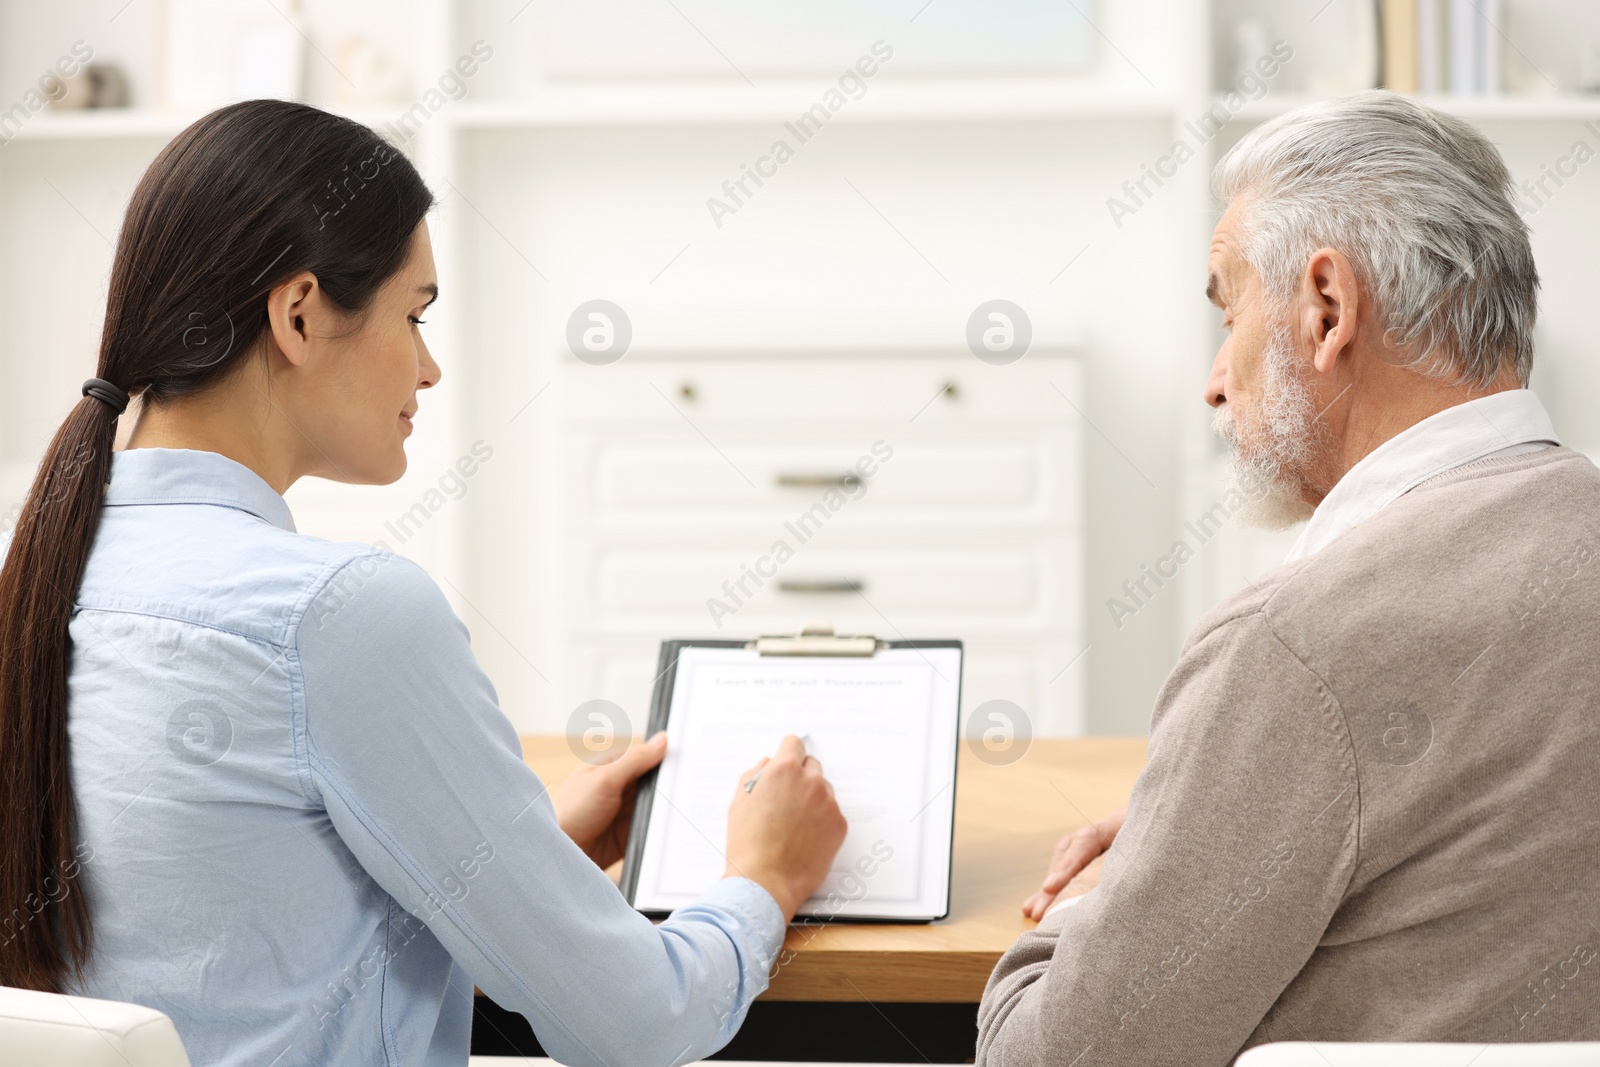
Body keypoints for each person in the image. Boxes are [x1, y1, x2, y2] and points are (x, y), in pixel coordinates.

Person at [0, 99, 847, 1067]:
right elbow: (640, 1024)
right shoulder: (336, 617)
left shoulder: (33, 578)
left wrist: (518, 854)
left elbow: (242, 925)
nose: (432, 366)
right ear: (300, 312)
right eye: (415, 314)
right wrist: (763, 878)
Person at [982, 90, 1600, 1064]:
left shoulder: (1294, 641)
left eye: (1229, 314)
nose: (1214, 379)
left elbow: (1049, 1055)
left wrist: (1129, 877)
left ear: (1324, 308)